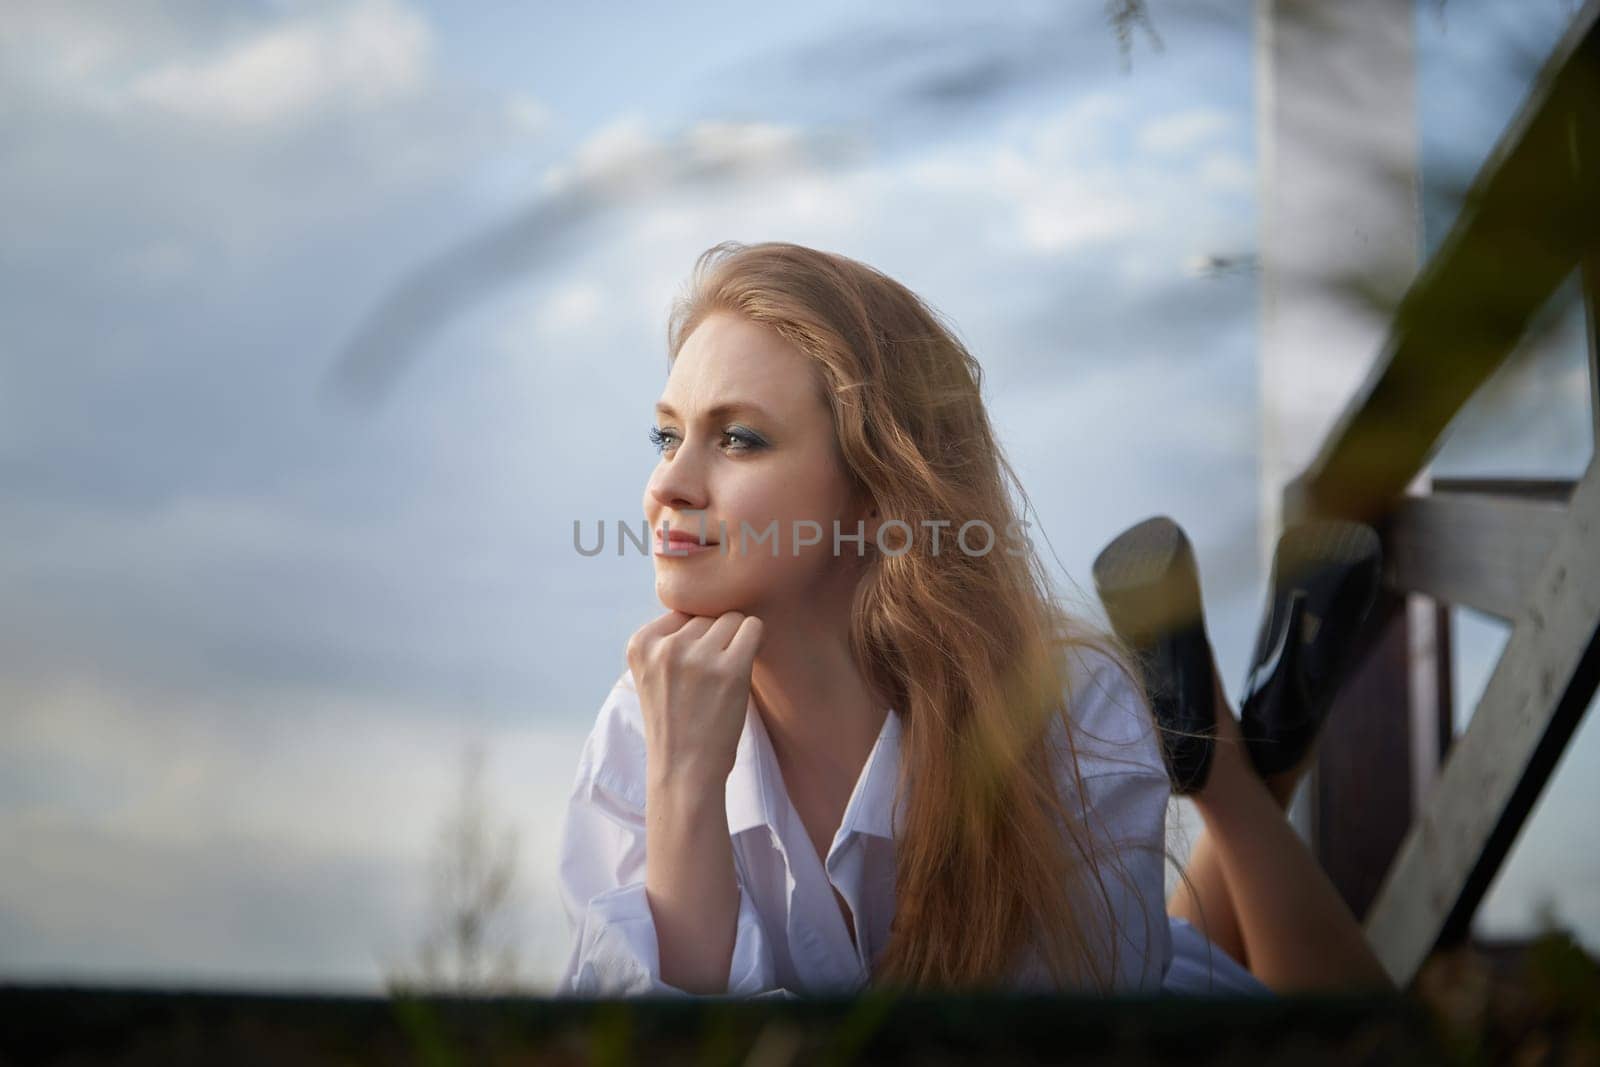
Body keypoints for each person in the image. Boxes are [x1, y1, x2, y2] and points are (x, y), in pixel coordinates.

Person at [556, 240, 1394, 998]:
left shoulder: (1066, 709)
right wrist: (681, 786)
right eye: (665, 436)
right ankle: (1224, 763)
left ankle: (1221, 766)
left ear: (881, 493)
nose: (668, 484)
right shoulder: (644, 723)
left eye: (737, 438)